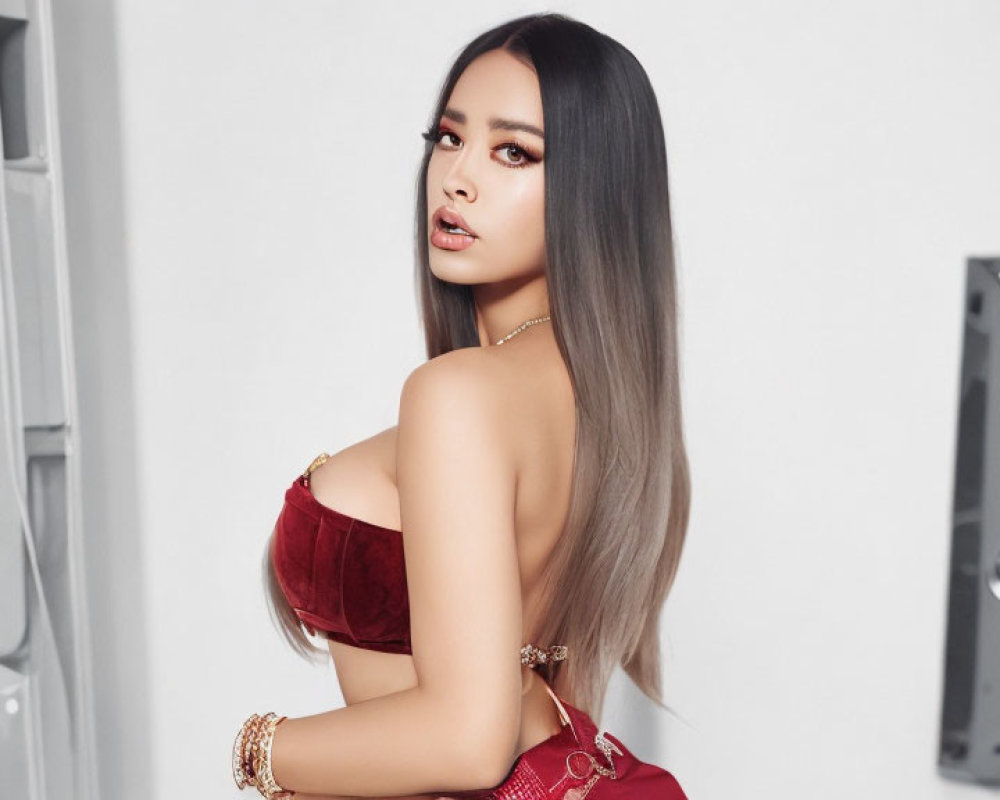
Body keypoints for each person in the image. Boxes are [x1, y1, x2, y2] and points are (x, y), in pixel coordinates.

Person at [233, 12, 691, 799]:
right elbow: (546, 693)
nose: (457, 177)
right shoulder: (603, 401)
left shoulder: (459, 396)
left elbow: (467, 742)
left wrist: (258, 750)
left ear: (594, 189)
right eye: (448, 138)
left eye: (514, 151)